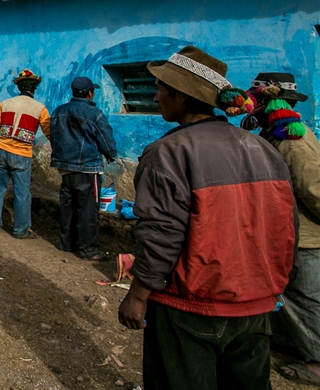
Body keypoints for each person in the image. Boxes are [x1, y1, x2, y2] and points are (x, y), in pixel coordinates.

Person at [117, 46, 298, 390]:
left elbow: (161, 233)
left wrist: (138, 295)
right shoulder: (262, 148)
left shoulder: (168, 153)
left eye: (160, 89)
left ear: (181, 97)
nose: (155, 97)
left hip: (193, 304)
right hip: (255, 303)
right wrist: (278, 281)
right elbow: (287, 224)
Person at [245, 72, 320, 386]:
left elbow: (314, 190)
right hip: (288, 234)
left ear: (266, 102)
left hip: (306, 238)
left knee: (306, 300)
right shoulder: (275, 135)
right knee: (289, 298)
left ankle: (317, 363)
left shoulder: (293, 140)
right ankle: (295, 345)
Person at [49, 76, 117, 260]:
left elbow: (53, 137)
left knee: (68, 206)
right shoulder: (94, 113)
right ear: (89, 93)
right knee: (87, 208)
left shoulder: (58, 111)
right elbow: (105, 139)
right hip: (87, 168)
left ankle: (67, 243)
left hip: (65, 168)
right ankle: (88, 249)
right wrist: (111, 154)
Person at [0, 69, 51, 238]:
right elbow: (49, 131)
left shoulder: (5, 103)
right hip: (22, 155)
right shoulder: (40, 109)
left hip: (1, 151)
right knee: (22, 193)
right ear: (34, 88)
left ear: (19, 86)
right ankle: (20, 230)